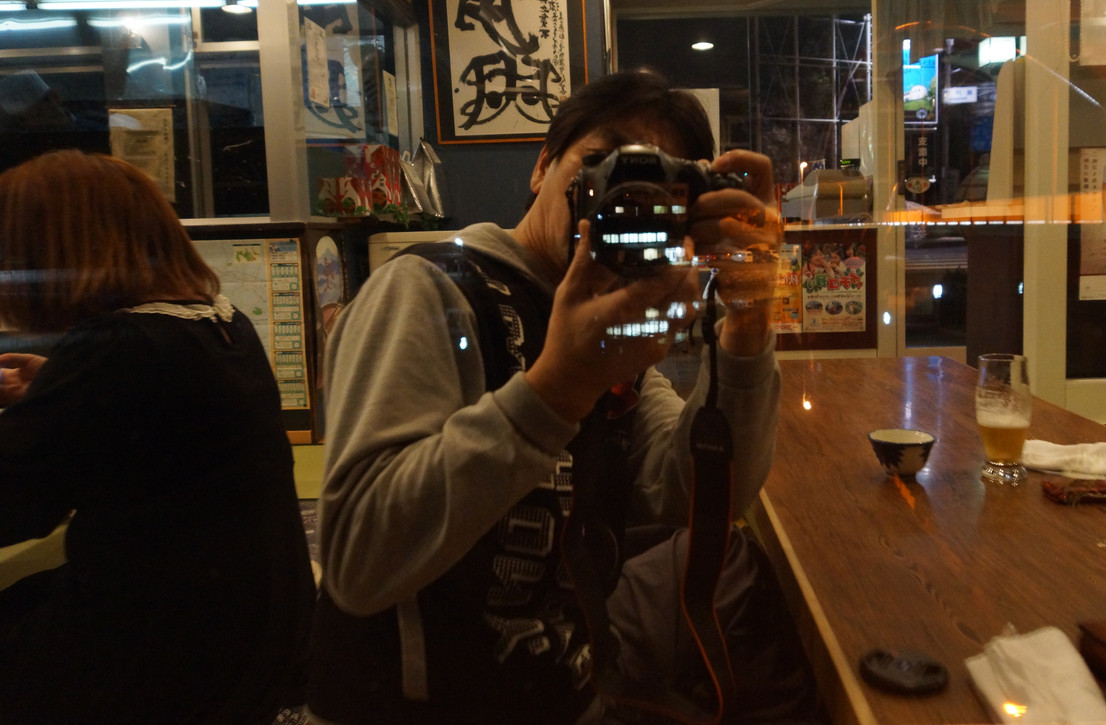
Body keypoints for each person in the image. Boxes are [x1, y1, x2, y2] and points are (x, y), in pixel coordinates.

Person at [307, 69, 821, 724]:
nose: (621, 195)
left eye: (654, 186)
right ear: (541, 166)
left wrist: (749, 323)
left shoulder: (604, 325)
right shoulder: (428, 288)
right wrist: (560, 386)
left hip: (567, 690)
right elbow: (356, 562)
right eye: (602, 163)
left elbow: (694, 492)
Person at [0, 150, 316, 724]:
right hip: (257, 627)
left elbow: (15, 503)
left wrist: (59, 394)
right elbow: (159, 426)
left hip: (168, 653)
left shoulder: (117, 347)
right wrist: (52, 391)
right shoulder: (219, 321)